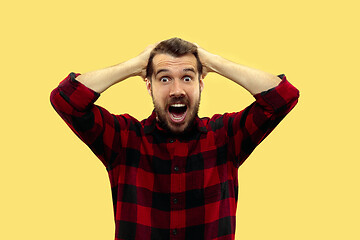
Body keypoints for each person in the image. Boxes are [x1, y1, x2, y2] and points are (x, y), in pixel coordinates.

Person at [50, 38, 299, 240]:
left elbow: (282, 97)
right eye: (164, 78)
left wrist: (213, 61)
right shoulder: (124, 140)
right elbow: (65, 100)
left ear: (201, 84)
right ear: (149, 86)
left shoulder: (224, 137)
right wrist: (134, 65)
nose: (177, 90)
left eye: (188, 77)